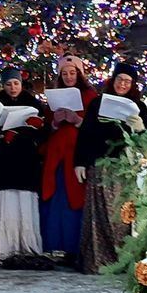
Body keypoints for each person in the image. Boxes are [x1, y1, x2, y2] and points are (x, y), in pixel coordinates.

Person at [74, 62, 147, 274]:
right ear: (112, 81)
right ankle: (99, 260)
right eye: (119, 80)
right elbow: (85, 135)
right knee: (100, 214)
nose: (123, 84)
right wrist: (79, 162)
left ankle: (124, 258)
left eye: (127, 81)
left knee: (124, 214)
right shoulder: (97, 104)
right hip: (101, 165)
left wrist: (140, 128)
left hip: (127, 166)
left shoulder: (139, 107)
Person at [40, 54, 98, 263]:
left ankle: (76, 247)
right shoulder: (55, 96)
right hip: (56, 154)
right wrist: (55, 122)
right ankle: (55, 246)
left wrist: (77, 121)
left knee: (76, 198)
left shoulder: (91, 96)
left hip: (77, 153)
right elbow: (47, 127)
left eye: (73, 73)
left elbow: (94, 127)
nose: (69, 77)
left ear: (80, 74)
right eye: (65, 73)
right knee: (56, 196)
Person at [0, 67, 47, 261]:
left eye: (16, 83)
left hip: (25, 159)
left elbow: (43, 131)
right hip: (3, 160)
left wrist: (34, 126)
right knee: (5, 201)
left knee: (24, 200)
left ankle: (26, 243)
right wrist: (1, 135)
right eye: (8, 84)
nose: (13, 88)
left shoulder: (33, 103)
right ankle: (3, 245)